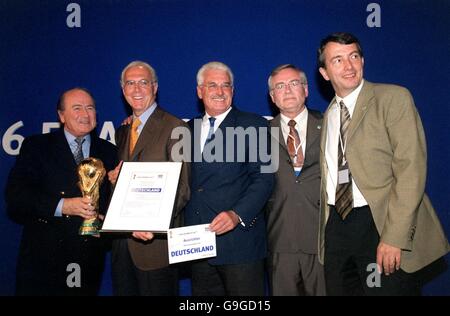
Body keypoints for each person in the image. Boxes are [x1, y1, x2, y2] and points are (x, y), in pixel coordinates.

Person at [317, 32, 450, 295]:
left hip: (380, 223)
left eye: (354, 56)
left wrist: (394, 237)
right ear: (324, 72)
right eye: (338, 60)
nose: (349, 66)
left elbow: (411, 169)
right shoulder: (330, 114)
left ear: (363, 61)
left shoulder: (393, 98)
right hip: (338, 225)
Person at [5, 88, 117, 295]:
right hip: (44, 258)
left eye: (90, 108)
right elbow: (16, 196)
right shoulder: (37, 146)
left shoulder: (109, 151)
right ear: (61, 115)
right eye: (77, 108)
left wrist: (107, 217)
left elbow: (114, 201)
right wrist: (63, 206)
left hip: (88, 258)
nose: (85, 114)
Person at [184, 61, 274, 296]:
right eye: (212, 85)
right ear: (199, 91)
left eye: (226, 85)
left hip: (240, 245)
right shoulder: (187, 130)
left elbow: (264, 179)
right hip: (197, 246)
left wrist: (237, 214)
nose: (220, 91)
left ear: (233, 91)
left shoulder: (254, 125)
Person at [108, 60, 190, 296]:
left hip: (154, 246)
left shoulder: (177, 128)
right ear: (123, 90)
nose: (136, 89)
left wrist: (152, 224)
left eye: (143, 83)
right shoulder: (122, 131)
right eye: (130, 83)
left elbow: (182, 187)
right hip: (122, 246)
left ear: (155, 87)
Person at [265, 64, 326, 296]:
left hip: (322, 239)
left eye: (293, 83)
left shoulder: (330, 124)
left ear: (306, 90)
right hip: (279, 239)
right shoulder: (260, 133)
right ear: (272, 96)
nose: (287, 90)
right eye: (280, 86)